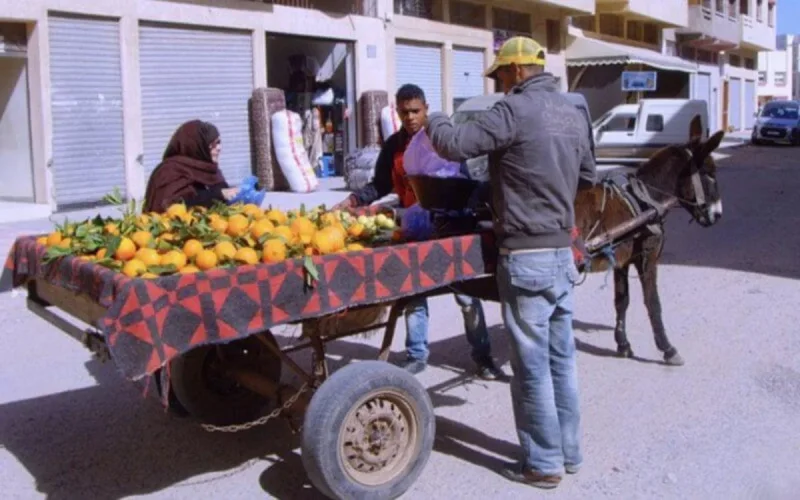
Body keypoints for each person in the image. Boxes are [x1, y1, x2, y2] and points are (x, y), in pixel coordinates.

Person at [423, 37, 597, 488]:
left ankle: (542, 463)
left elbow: (455, 145)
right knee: (563, 359)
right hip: (562, 254)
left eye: (501, 76)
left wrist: (435, 116)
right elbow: (588, 177)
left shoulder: (514, 110)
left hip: (526, 255)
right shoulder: (574, 110)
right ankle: (570, 452)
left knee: (533, 367)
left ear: (518, 70)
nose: (500, 85)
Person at [333, 84, 506, 380]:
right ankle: (416, 355)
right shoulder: (393, 146)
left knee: (465, 296)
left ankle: (482, 356)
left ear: (426, 108)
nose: (410, 117)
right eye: (404, 112)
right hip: (413, 226)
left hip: (450, 225)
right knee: (414, 292)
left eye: (415, 111)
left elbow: (463, 180)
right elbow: (381, 185)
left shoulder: (443, 139)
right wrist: (353, 200)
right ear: (397, 112)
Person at [143, 120, 238, 213]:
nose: (218, 148)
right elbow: (172, 208)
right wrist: (218, 195)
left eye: (218, 142)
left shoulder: (211, 171)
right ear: (197, 146)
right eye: (212, 145)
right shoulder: (169, 172)